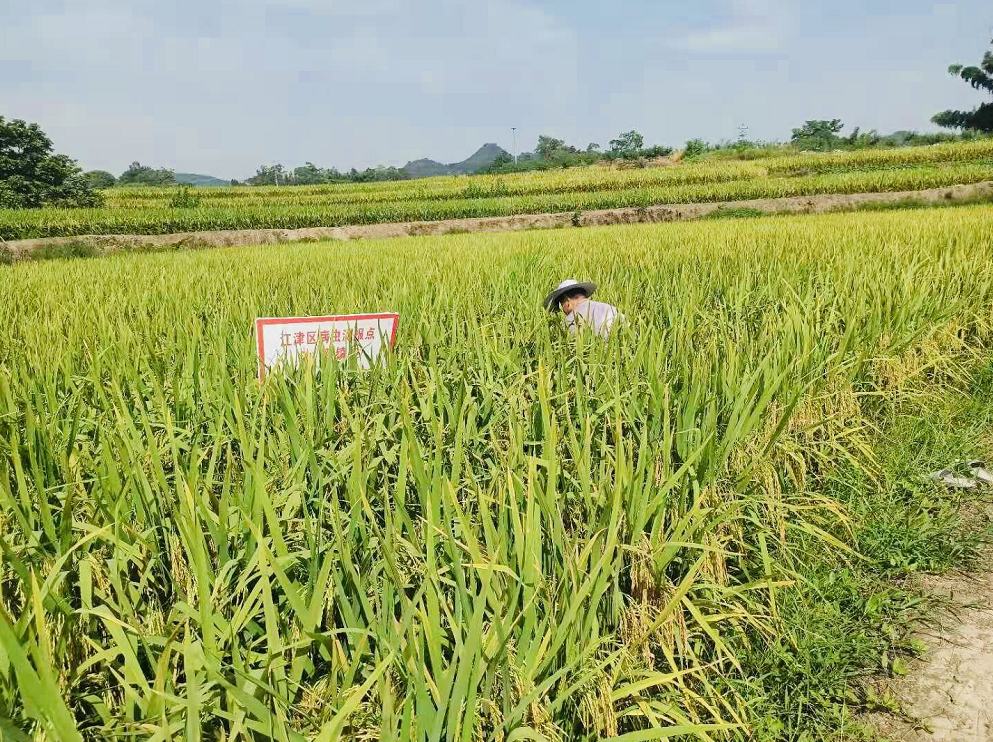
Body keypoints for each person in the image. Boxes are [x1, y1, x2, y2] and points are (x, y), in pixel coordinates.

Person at [544, 278, 622, 338]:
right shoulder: (609, 308)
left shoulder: (571, 320)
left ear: (567, 302)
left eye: (562, 305)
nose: (564, 312)